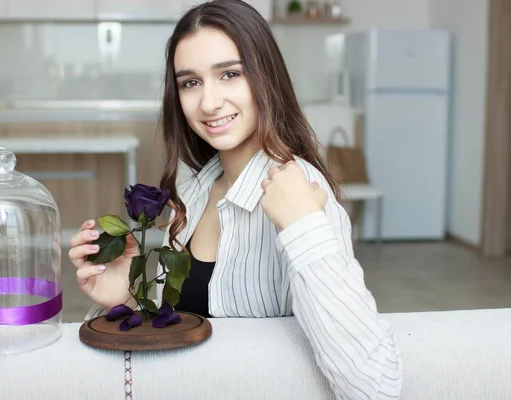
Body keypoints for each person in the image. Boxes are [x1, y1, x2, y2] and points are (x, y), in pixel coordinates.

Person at [69, 0, 403, 398]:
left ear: (266, 78)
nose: (208, 103)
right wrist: (126, 299)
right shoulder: (198, 186)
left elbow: (377, 386)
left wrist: (303, 226)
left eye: (230, 74)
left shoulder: (300, 190)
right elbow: (193, 325)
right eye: (190, 82)